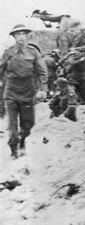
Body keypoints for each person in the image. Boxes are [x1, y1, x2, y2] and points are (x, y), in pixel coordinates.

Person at [0, 24, 47, 158]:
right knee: (13, 124)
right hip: (11, 91)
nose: (21, 37)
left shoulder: (33, 52)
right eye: (18, 34)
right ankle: (14, 148)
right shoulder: (8, 52)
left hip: (28, 90)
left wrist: (43, 89)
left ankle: (22, 139)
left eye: (23, 34)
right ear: (14, 37)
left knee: (28, 123)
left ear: (27, 36)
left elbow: (42, 72)